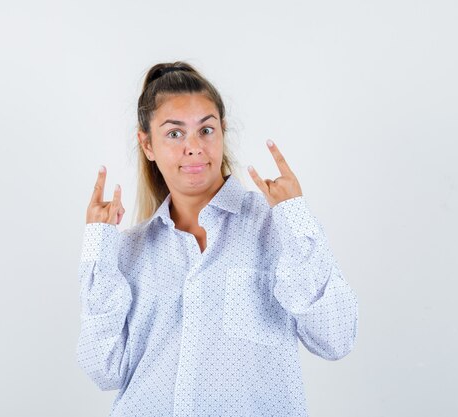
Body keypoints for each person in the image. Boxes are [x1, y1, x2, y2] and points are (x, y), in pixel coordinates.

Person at [76, 61, 359, 417]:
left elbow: (335, 339)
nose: (193, 147)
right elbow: (104, 371)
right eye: (174, 133)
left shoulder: (277, 227)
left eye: (206, 130)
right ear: (147, 144)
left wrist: (295, 217)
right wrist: (98, 249)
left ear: (222, 132)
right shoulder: (130, 249)